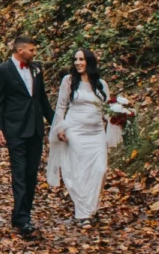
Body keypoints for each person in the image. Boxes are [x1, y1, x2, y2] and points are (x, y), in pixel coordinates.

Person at [0, 31, 50, 238]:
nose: (34, 53)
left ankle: (22, 215)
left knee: (31, 174)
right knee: (19, 173)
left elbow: (42, 99)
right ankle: (23, 220)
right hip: (15, 130)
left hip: (35, 128)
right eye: (31, 50)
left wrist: (58, 124)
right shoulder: (3, 70)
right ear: (20, 50)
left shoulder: (37, 69)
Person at [46, 48, 113, 227]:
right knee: (79, 172)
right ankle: (84, 214)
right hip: (75, 131)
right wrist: (59, 129)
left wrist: (121, 117)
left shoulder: (101, 84)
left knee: (100, 170)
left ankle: (91, 208)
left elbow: (107, 110)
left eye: (81, 59)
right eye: (75, 59)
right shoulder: (68, 81)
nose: (77, 62)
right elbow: (61, 106)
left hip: (97, 133)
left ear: (89, 62)